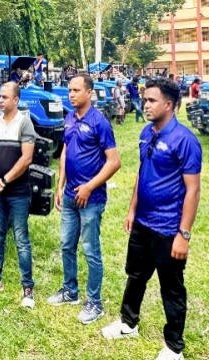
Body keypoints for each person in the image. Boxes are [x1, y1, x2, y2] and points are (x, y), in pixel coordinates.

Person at [101, 78, 201, 360]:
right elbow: (142, 174)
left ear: (169, 105)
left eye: (152, 100)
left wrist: (184, 234)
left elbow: (193, 190)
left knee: (171, 287)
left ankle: (173, 347)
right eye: (145, 100)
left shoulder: (185, 141)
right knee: (135, 275)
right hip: (143, 224)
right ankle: (128, 322)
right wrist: (132, 210)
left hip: (169, 228)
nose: (145, 104)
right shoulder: (146, 132)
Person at [48, 75, 121, 325]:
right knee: (67, 245)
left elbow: (114, 161)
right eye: (69, 90)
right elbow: (66, 151)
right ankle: (70, 291)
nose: (71, 94)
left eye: (76, 90)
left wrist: (89, 187)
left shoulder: (99, 122)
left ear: (89, 93)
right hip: (69, 195)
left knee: (90, 249)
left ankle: (95, 303)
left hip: (91, 198)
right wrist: (60, 186)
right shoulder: (69, 118)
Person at [0, 82, 36, 308]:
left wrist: (4, 181)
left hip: (18, 193)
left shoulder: (25, 123)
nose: (0, 100)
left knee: (21, 240)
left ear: (16, 100)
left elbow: (27, 158)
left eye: (5, 97)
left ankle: (27, 288)